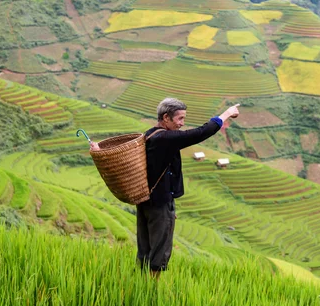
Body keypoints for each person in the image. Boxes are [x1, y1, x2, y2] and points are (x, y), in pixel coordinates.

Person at [91, 98, 240, 278]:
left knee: (145, 248)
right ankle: (151, 291)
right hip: (159, 203)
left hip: (146, 200)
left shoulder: (150, 134)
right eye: (179, 119)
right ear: (166, 117)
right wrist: (226, 114)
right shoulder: (165, 138)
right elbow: (200, 133)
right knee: (160, 251)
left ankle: (139, 284)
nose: (182, 124)